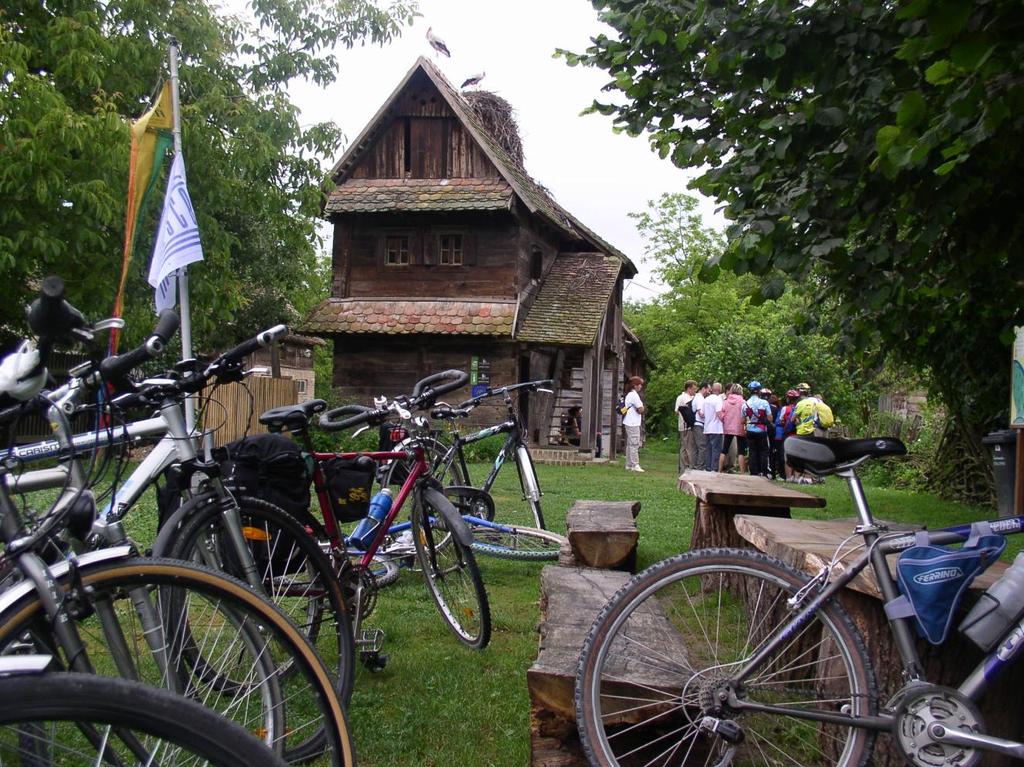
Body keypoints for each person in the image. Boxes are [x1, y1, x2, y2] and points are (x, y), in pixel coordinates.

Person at [744, 381, 774, 477]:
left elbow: (742, 420)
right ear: (759, 391)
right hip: (761, 429)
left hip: (750, 429)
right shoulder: (764, 402)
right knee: (763, 451)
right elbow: (770, 418)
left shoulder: (745, 403)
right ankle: (764, 471)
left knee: (752, 451)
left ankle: (753, 471)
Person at [719, 383, 748, 473]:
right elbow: (746, 415)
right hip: (739, 428)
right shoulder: (743, 402)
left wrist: (725, 421)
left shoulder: (726, 401)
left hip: (728, 427)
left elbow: (721, 414)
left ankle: (719, 470)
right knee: (741, 451)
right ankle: (742, 472)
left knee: (724, 450)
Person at [621, 376, 646, 472]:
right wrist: (641, 409)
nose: (641, 387)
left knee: (630, 444)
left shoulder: (629, 395)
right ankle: (635, 464)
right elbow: (641, 408)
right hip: (633, 422)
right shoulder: (634, 395)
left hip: (628, 421)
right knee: (634, 443)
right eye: (639, 385)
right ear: (635, 385)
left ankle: (628, 464)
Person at [674, 380, 697, 474]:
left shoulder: (681, 397)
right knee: (687, 447)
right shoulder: (685, 398)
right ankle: (686, 466)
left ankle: (683, 466)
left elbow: (676, 411)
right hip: (685, 425)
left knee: (684, 446)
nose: (695, 391)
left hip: (684, 425)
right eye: (694, 389)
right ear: (689, 388)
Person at [701, 382, 724, 471]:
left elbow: (702, 413)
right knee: (716, 449)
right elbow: (719, 413)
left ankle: (708, 467)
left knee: (708, 449)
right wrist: (724, 420)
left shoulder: (706, 399)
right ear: (719, 390)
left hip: (707, 427)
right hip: (716, 428)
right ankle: (714, 468)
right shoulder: (718, 400)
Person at [691, 381, 709, 473]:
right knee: (702, 446)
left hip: (696, 424)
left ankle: (694, 465)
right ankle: (700, 466)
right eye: (708, 390)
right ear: (704, 388)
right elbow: (700, 412)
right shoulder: (700, 398)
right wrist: (708, 416)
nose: (708, 392)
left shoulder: (698, 397)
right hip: (699, 424)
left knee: (696, 446)